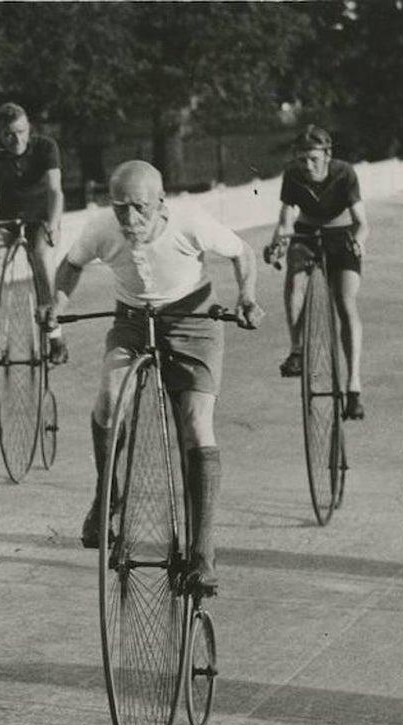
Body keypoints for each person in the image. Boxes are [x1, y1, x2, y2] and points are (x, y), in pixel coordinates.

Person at [46, 160, 262, 594]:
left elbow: (244, 254)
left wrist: (248, 298)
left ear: (161, 203)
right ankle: (107, 498)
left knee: (197, 424)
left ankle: (202, 553)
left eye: (140, 208)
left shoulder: (190, 223)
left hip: (193, 320)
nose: (129, 219)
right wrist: (58, 304)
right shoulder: (101, 228)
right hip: (132, 318)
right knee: (108, 400)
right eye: (120, 207)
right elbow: (69, 266)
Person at [265, 125, 370, 420]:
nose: (307, 166)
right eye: (302, 160)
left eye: (313, 159)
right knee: (294, 276)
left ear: (327, 155)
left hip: (342, 234)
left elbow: (362, 222)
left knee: (346, 302)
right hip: (307, 232)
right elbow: (286, 220)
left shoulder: (344, 173)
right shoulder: (293, 174)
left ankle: (354, 386)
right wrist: (278, 243)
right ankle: (297, 349)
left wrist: (359, 243)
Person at [0, 103, 66, 374]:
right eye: (10, 135)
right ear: (0, 134)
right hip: (7, 217)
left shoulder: (46, 147)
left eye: (22, 132)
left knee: (43, 256)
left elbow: (56, 191)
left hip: (40, 217)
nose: (17, 140)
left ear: (29, 128)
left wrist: (54, 224)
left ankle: (55, 334)